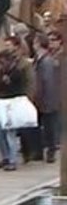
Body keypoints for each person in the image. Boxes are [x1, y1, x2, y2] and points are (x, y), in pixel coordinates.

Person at [0, 46, 28, 170]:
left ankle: (12, 160)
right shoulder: (1, 72)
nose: (1, 65)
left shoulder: (17, 72)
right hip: (1, 104)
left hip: (12, 105)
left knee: (10, 134)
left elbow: (19, 88)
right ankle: (5, 157)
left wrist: (9, 82)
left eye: (2, 62)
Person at [34, 34, 60, 163]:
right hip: (42, 98)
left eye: (35, 42)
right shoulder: (39, 59)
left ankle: (51, 151)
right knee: (40, 125)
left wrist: (42, 98)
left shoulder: (46, 61)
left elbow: (47, 81)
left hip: (47, 99)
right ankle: (40, 151)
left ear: (38, 43)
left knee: (49, 126)